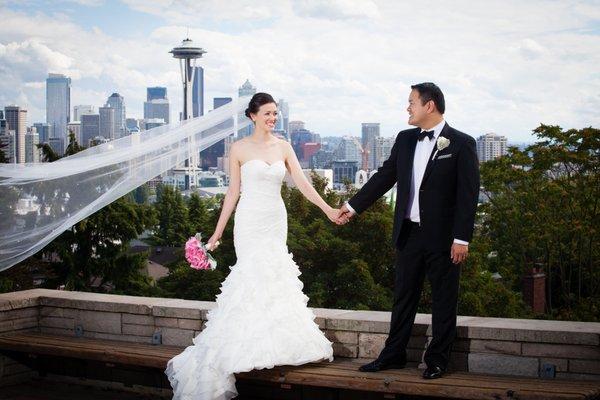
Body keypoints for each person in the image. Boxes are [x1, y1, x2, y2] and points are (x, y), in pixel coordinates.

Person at [165, 93, 336, 399]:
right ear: (253, 116)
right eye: (268, 113)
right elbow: (232, 192)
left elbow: (303, 183)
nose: (273, 118)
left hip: (275, 218)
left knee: (275, 274)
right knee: (251, 276)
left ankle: (277, 345)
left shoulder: (283, 146)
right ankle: (245, 346)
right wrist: (217, 234)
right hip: (249, 221)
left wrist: (329, 210)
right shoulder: (239, 148)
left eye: (275, 114)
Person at [337, 82, 480, 379]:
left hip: (444, 239)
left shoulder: (462, 143)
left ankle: (438, 360)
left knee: (443, 300)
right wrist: (352, 207)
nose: (407, 108)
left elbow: (468, 195)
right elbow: (384, 177)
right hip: (409, 233)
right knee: (403, 297)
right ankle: (393, 355)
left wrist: (461, 238)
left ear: (429, 105)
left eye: (411, 102)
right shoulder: (404, 140)